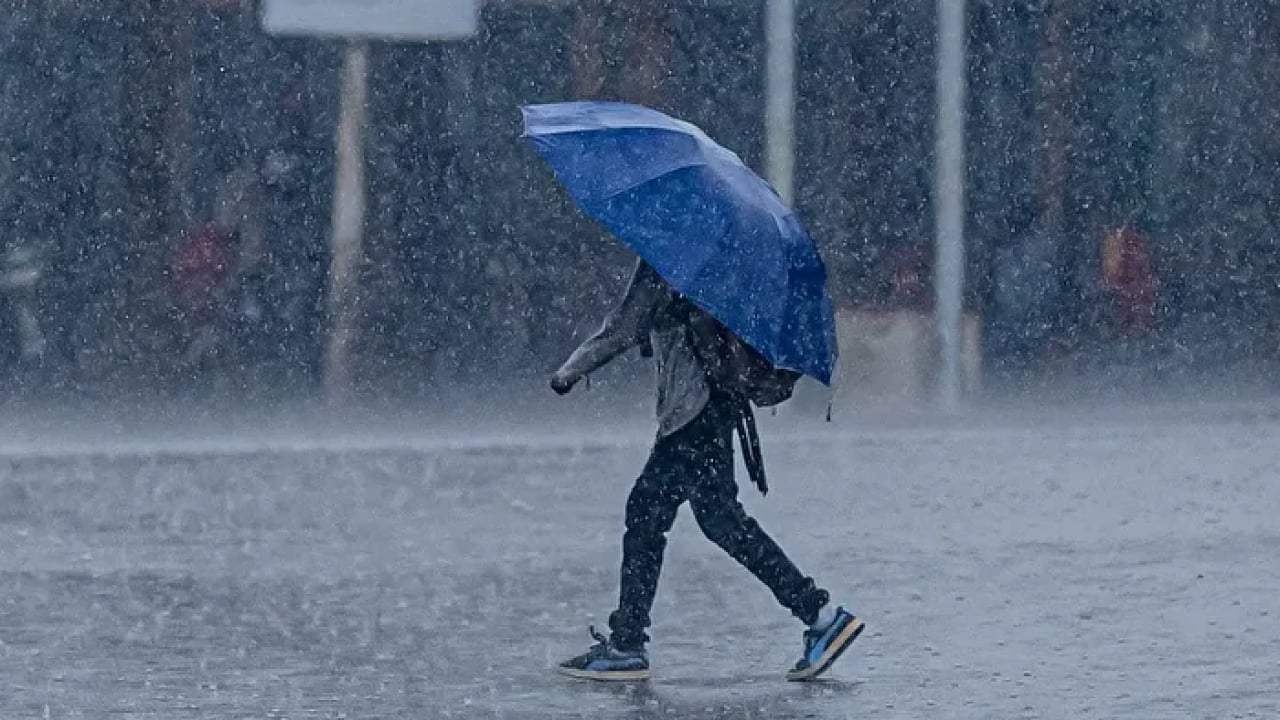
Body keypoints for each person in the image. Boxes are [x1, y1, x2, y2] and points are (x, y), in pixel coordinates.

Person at [551, 258, 863, 682]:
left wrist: (570, 370)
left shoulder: (668, 257)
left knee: (650, 513)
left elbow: (624, 327)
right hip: (716, 407)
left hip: (691, 413)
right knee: (715, 520)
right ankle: (820, 614)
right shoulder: (717, 261)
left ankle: (628, 644)